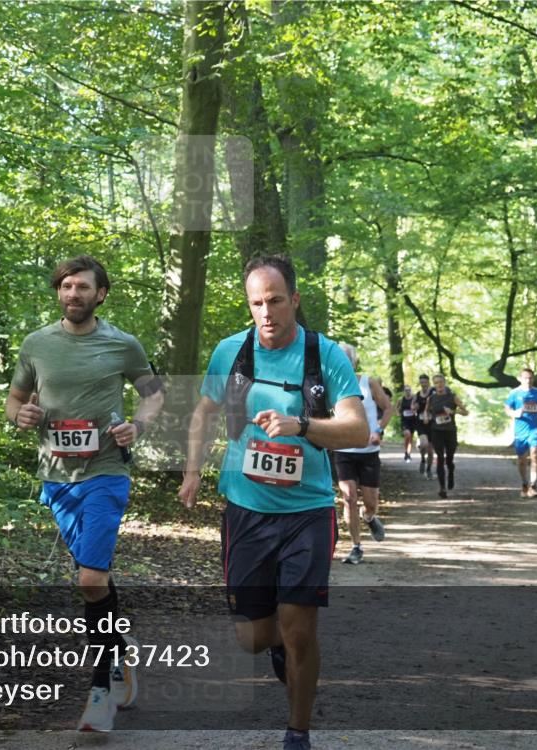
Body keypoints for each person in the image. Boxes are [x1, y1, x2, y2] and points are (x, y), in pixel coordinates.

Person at [177, 255, 367, 750]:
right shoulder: (231, 352)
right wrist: (193, 471)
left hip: (306, 511)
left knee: (300, 628)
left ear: (295, 301)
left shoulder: (325, 356)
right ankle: (278, 644)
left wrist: (302, 426)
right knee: (252, 638)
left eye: (275, 301)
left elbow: (357, 428)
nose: (266, 312)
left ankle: (297, 732)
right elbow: (203, 412)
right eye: (257, 303)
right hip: (245, 508)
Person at [7, 255, 164, 732]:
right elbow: (15, 400)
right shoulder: (37, 344)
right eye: (65, 287)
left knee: (90, 580)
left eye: (82, 287)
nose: (72, 294)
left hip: (105, 472)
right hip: (57, 478)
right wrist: (20, 416)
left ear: (101, 294)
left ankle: (100, 695)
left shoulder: (122, 344)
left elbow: (154, 392)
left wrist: (137, 425)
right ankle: (120, 650)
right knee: (92, 577)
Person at [334, 344, 392, 565]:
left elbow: (387, 407)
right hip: (344, 450)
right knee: (348, 497)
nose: (344, 364)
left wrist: (377, 430)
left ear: (355, 362)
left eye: (348, 360)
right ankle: (356, 546)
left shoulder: (369, 382)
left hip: (368, 451)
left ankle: (369, 516)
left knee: (370, 501)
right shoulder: (331, 384)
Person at [421, 374, 469, 499]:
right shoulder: (431, 398)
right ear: (434, 385)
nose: (439, 385)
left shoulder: (452, 397)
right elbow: (426, 410)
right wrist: (426, 416)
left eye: (441, 382)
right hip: (436, 431)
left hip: (450, 431)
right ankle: (442, 487)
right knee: (440, 458)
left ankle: (451, 472)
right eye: (436, 383)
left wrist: (453, 411)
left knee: (449, 459)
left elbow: (466, 412)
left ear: (445, 383)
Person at [504, 367, 537, 498]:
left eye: (530, 378)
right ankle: (524, 484)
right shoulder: (514, 393)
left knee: (535, 454)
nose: (528, 380)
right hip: (520, 430)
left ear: (533, 379)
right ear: (520, 379)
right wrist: (515, 413)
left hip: (534, 428)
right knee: (522, 459)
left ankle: (534, 485)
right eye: (525, 378)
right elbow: (507, 408)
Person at [414, 375, 435, 478]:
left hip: (433, 423)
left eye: (425, 382)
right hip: (421, 423)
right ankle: (422, 459)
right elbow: (412, 406)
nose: (423, 384)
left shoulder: (433, 393)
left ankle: (429, 469)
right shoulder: (417, 394)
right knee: (423, 444)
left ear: (428, 382)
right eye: (421, 382)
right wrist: (414, 407)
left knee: (430, 450)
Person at [398, 385, 416, 462]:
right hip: (404, 420)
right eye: (406, 390)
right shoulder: (401, 399)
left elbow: (417, 407)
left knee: (410, 438)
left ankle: (408, 453)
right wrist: (398, 413)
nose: (407, 391)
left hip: (412, 420)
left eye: (409, 390)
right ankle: (406, 451)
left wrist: (414, 410)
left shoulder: (414, 399)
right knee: (407, 435)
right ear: (404, 391)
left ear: (411, 390)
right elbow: (396, 407)